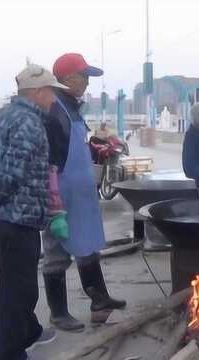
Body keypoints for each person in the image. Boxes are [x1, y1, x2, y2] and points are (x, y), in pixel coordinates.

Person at [0, 64, 67, 360]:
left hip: (5, 217)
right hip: (14, 220)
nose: (54, 100)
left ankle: (28, 332)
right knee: (14, 290)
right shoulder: (28, 123)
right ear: (37, 92)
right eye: (51, 93)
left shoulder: (4, 117)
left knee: (19, 284)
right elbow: (9, 173)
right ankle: (8, 353)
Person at [40, 53, 126, 332]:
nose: (88, 82)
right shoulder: (53, 109)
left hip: (82, 193)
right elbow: (51, 160)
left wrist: (97, 145)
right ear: (67, 79)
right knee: (57, 253)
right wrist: (54, 205)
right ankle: (58, 313)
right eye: (84, 76)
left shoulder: (71, 107)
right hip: (61, 194)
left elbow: (74, 149)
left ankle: (99, 301)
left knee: (88, 247)